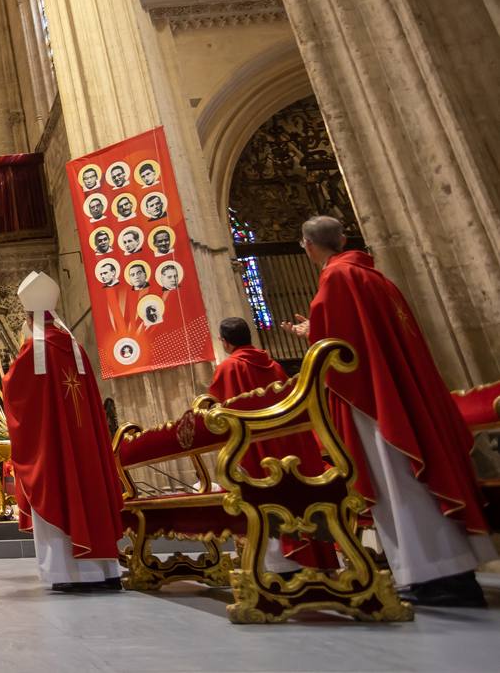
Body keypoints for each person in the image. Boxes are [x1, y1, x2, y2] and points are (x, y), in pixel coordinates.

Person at [282, 215, 493, 606]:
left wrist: (312, 334)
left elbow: (336, 346)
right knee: (413, 474)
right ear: (342, 239)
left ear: (309, 246)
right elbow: (353, 333)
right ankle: (449, 571)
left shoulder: (336, 279)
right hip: (399, 389)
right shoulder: (374, 277)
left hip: (372, 399)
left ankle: (433, 574)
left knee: (397, 478)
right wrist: (314, 330)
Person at [2, 271, 123, 592]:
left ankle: (68, 574)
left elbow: (15, 393)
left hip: (56, 447)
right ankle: (106, 570)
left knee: (59, 488)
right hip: (86, 445)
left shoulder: (35, 351)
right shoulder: (77, 350)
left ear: (29, 317)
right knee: (90, 493)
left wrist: (8, 379)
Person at [208, 317, 337, 571]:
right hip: (287, 444)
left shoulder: (229, 368)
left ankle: (279, 568)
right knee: (294, 496)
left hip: (257, 447)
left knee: (263, 498)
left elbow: (219, 411)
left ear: (225, 342)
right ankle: (312, 560)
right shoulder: (274, 365)